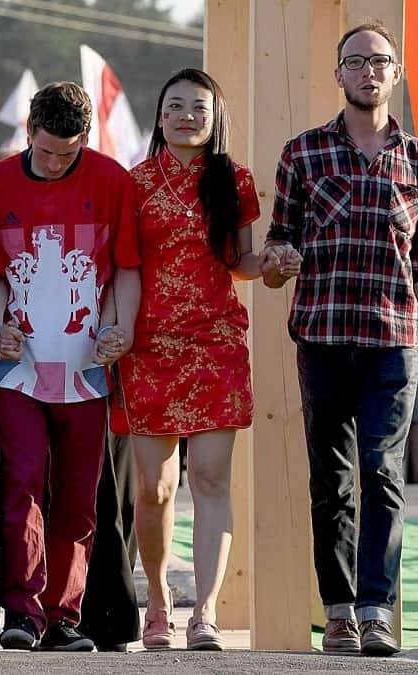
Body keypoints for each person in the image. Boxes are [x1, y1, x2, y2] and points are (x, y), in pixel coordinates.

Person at [262, 20, 414, 658]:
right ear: (338, 74)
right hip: (321, 337)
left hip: (392, 339)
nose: (368, 72)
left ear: (396, 74)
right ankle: (340, 610)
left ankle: (378, 608)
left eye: (379, 61)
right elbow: (276, 246)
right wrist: (279, 261)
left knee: (382, 471)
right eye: (355, 62)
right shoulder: (302, 153)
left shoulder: (416, 160)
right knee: (333, 479)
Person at [0, 81, 141, 652]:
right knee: (22, 482)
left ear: (86, 141)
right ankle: (21, 613)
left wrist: (121, 329)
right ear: (27, 131)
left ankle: (64, 616)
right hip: (18, 367)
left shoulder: (112, 180)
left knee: (78, 496)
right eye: (45, 150)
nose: (53, 163)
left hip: (86, 366)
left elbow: (125, 267)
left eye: (67, 153)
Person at [117, 68, 266, 651]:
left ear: (215, 117)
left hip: (216, 343)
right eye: (175, 106)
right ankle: (156, 597)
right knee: (153, 488)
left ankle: (204, 611)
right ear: (159, 117)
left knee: (210, 478)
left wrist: (275, 262)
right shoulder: (134, 184)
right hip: (151, 346)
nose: (187, 116)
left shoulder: (236, 181)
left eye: (198, 108)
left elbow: (242, 262)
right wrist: (118, 329)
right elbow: (124, 267)